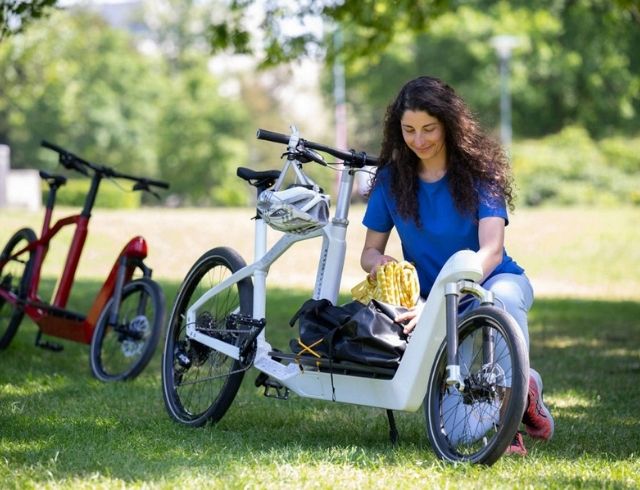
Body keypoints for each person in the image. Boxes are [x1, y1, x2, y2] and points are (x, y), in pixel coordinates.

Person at [359, 75, 554, 456]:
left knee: (503, 299)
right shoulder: (390, 181)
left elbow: (492, 250)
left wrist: (445, 298)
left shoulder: (481, 172)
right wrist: (378, 261)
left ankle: (509, 423)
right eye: (409, 130)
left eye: (429, 129)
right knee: (459, 432)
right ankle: (526, 387)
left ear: (448, 124)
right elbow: (368, 251)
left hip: (491, 282)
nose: (419, 140)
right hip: (434, 303)